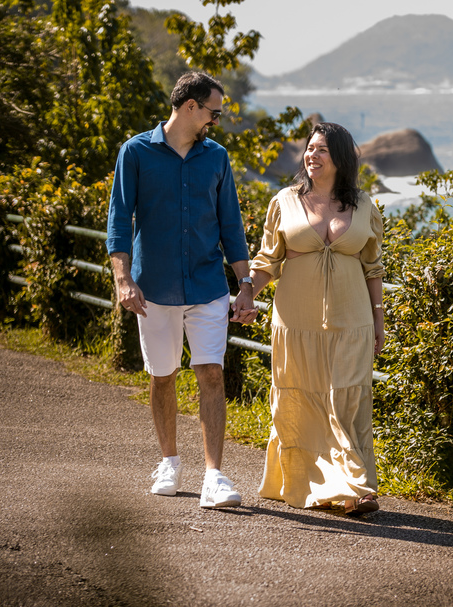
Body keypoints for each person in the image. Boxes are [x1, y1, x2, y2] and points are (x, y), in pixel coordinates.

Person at [106, 71, 257, 509]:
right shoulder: (135, 152)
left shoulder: (217, 157)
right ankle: (169, 461)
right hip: (153, 288)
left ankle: (214, 476)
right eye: (214, 112)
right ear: (190, 106)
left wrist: (245, 284)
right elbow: (119, 220)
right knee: (163, 375)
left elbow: (231, 225)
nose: (216, 120)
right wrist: (123, 279)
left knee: (211, 372)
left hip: (208, 286)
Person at [242, 122, 384, 515]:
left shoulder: (364, 205)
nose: (312, 155)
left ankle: (357, 488)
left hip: (352, 321)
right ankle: (312, 482)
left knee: (347, 401)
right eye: (310, 148)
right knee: (299, 399)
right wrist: (246, 295)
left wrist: (379, 321)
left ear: (340, 157)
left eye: (322, 149)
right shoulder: (285, 201)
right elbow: (268, 261)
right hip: (295, 324)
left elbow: (373, 268)